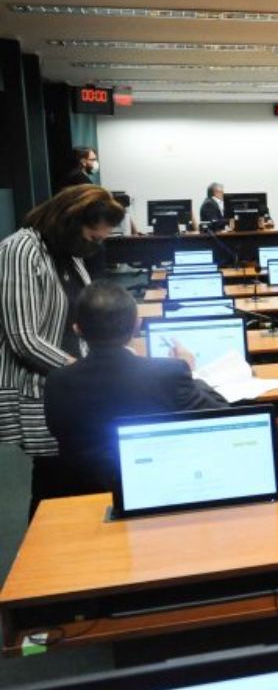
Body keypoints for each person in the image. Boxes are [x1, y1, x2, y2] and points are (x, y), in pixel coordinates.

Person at [43, 281, 227, 507]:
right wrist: (192, 373)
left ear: (77, 329)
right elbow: (220, 413)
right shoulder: (169, 373)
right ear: (137, 325)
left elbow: (60, 433)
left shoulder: (56, 381)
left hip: (88, 499)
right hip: (163, 492)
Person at [0, 185, 124, 517]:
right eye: (93, 237)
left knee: (83, 476)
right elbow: (24, 337)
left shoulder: (66, 253)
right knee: (55, 482)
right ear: (71, 220)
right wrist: (83, 372)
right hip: (44, 387)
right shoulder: (21, 250)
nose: (95, 246)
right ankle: (45, 559)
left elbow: (78, 319)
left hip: (73, 383)